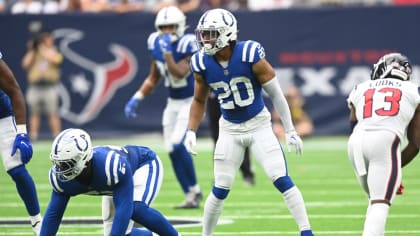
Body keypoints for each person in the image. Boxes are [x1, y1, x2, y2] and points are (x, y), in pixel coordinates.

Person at [184, 8, 313, 236]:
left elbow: (276, 94)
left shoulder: (249, 54)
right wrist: (190, 131)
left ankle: (306, 232)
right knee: (220, 187)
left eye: (211, 34)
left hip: (258, 126)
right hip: (230, 130)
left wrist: (291, 130)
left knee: (281, 179)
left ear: (226, 34)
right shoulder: (201, 64)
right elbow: (198, 99)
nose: (205, 39)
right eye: (203, 34)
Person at [124, 5, 202, 209]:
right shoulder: (154, 42)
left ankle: (195, 190)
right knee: (170, 149)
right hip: (172, 103)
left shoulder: (188, 44)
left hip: (189, 102)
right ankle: (191, 194)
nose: (167, 31)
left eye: (171, 27)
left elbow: (179, 73)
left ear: (181, 26)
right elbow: (154, 76)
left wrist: (168, 53)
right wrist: (137, 97)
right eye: (164, 27)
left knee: (178, 144)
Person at [41, 128, 179, 236]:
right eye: (59, 164)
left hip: (142, 165)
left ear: (84, 158)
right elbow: (54, 215)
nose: (61, 169)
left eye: (67, 164)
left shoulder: (110, 167)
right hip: (115, 182)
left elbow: (125, 208)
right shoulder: (61, 179)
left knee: (137, 209)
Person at [347, 52, 420, 236]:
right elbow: (416, 142)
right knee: (380, 204)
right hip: (385, 141)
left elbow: (353, 122)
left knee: (374, 199)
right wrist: (393, 167)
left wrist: (388, 167)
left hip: (355, 143)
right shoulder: (413, 91)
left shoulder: (360, 87)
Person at [0, 51, 42, 235]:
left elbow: (14, 89)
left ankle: (37, 223)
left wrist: (22, 134)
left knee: (16, 168)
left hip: (1, 114)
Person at [207, 93, 255, 186]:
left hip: (233, 99)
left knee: (241, 136)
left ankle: (247, 173)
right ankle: (220, 176)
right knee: (217, 140)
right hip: (215, 101)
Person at [22, 31, 63, 140]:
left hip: (49, 86)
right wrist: (32, 49)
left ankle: (57, 136)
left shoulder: (54, 50)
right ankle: (34, 136)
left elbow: (56, 60)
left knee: (53, 112)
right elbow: (25, 64)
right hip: (35, 86)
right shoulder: (34, 52)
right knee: (34, 112)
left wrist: (42, 48)